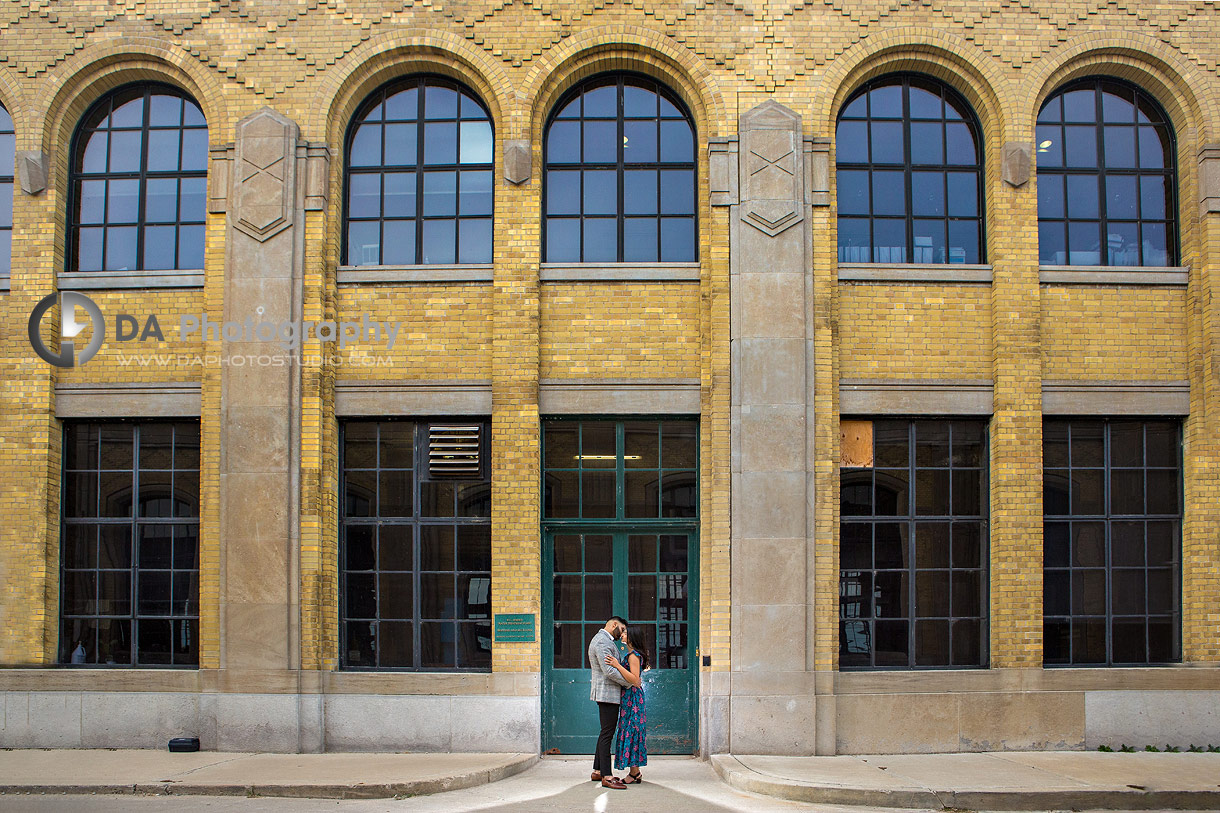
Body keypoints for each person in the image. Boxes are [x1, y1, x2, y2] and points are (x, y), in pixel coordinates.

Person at [587, 615, 630, 789]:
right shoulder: (603, 642)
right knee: (607, 734)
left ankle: (597, 771)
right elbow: (609, 671)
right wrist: (630, 682)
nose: (623, 633)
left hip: (607, 693)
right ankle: (607, 775)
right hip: (607, 694)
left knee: (605, 732)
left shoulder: (603, 639)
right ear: (614, 625)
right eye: (622, 629)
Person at [605, 624, 648, 783]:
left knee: (632, 731)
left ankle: (634, 773)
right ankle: (635, 772)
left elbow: (635, 680)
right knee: (631, 731)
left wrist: (616, 665)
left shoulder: (633, 656)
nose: (622, 635)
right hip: (630, 697)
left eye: (625, 633)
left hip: (633, 698)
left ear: (632, 637)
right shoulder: (632, 654)